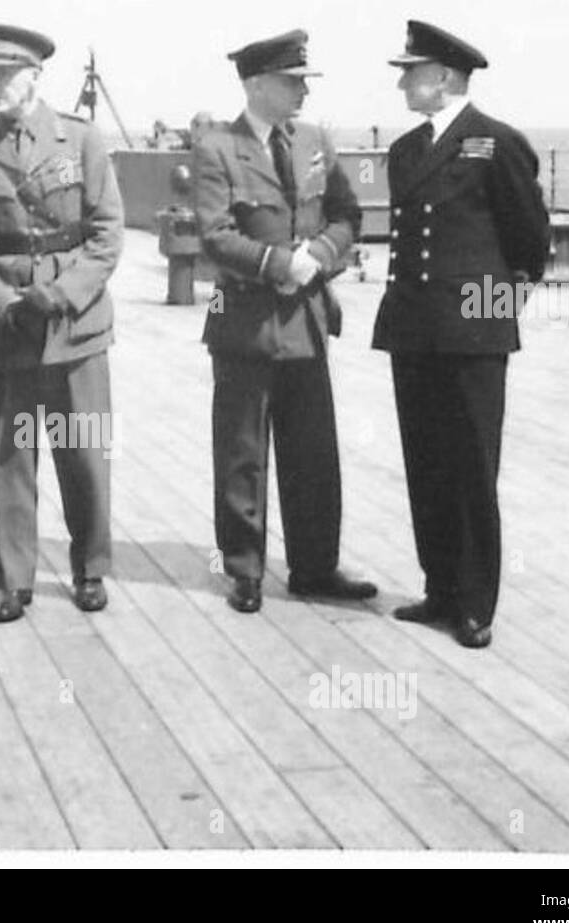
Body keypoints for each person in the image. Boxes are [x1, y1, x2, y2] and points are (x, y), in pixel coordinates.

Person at [374, 20, 549, 649]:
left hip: (473, 337)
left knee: (473, 466)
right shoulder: (405, 151)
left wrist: (493, 319)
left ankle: (476, 603)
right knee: (425, 464)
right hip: (414, 330)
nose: (401, 82)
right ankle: (440, 587)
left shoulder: (497, 144)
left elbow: (531, 246)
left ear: (443, 76)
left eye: (409, 71)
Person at [0, 23, 124, 624]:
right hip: (6, 332)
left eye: (3, 75)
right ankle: (13, 579)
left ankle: (91, 568)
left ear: (35, 76)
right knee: (11, 458)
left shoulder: (80, 139)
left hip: (75, 328)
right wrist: (6, 302)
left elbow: (106, 234)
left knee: (83, 454)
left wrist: (61, 295)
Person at [192, 30, 377, 614]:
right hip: (245, 323)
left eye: (302, 81)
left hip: (307, 322)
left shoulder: (316, 140)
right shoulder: (218, 148)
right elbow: (215, 235)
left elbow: (349, 213)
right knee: (242, 451)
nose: (301, 90)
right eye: (290, 81)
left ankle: (315, 566)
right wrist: (277, 263)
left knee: (313, 452)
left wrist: (319, 255)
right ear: (254, 85)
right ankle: (245, 569)